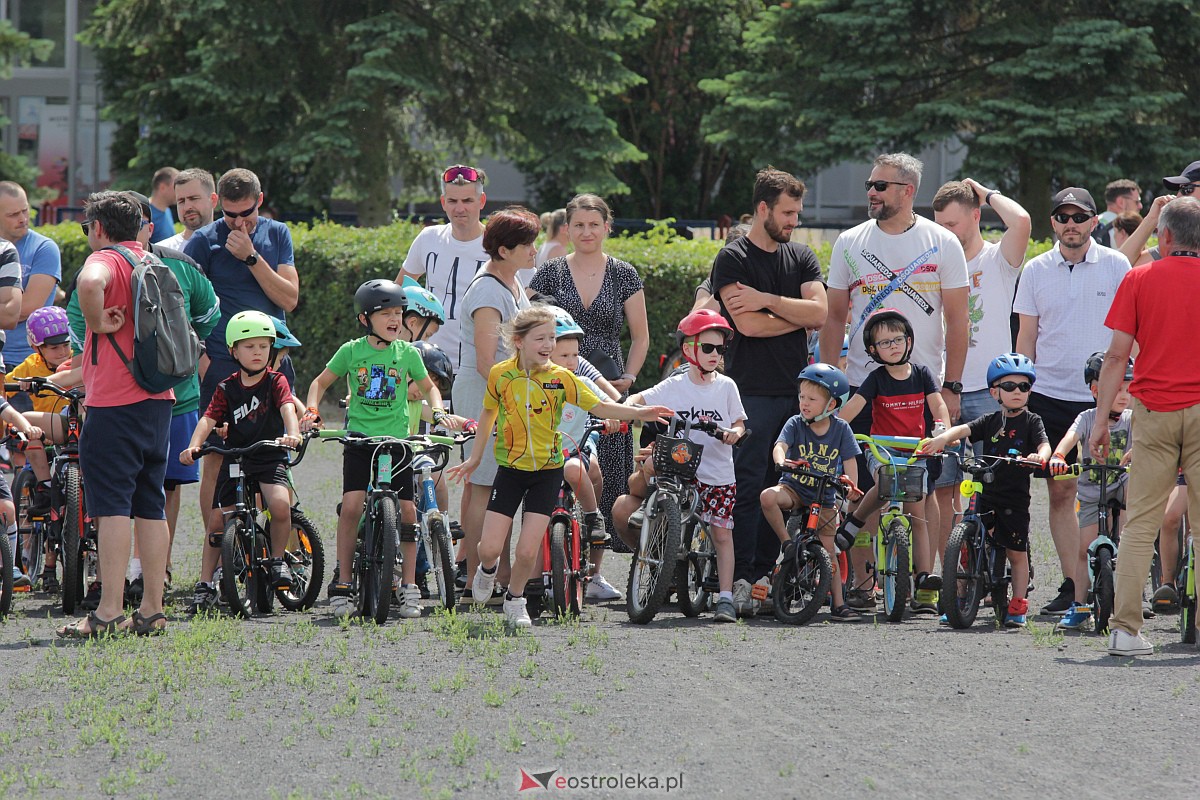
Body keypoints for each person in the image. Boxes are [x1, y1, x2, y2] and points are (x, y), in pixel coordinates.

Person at [446, 305, 671, 628]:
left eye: (552, 338)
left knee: (527, 552)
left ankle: (516, 600)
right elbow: (488, 415)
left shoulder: (561, 377)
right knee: (488, 548)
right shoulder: (501, 374)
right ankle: (487, 570)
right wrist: (475, 458)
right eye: (541, 338)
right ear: (519, 341)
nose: (549, 345)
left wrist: (640, 414)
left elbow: (600, 406)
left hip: (548, 471)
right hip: (510, 471)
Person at [821, 154, 968, 613]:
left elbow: (958, 320)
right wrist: (828, 384)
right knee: (863, 488)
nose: (871, 192)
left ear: (908, 191)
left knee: (926, 491)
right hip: (862, 387)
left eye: (880, 185)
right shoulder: (849, 241)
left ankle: (927, 583)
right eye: (869, 184)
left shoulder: (942, 242)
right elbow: (834, 317)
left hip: (920, 388)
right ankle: (865, 584)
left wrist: (952, 386)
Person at [303, 279, 461, 619]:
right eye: (386, 313)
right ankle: (343, 583)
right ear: (365, 319)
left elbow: (430, 389)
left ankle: (409, 587)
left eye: (399, 313)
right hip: (360, 441)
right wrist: (312, 410)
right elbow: (319, 383)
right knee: (351, 507)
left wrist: (439, 412)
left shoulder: (407, 353)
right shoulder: (351, 351)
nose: (395, 319)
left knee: (408, 511)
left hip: (397, 443)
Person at [710, 167, 827, 614]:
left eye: (797, 212)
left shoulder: (802, 256)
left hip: (798, 395)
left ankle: (769, 576)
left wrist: (768, 301)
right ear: (763, 209)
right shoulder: (733, 258)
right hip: (750, 394)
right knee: (747, 487)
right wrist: (792, 316)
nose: (795, 221)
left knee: (786, 487)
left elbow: (820, 314)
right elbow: (747, 326)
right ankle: (741, 578)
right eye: (787, 213)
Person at [57, 191, 174, 637]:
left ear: (100, 228)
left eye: (88, 226)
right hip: (158, 399)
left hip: (114, 404)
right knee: (151, 505)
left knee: (112, 509)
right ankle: (152, 610)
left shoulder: (105, 259)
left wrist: (97, 322)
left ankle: (108, 611)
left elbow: (89, 284)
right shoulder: (154, 261)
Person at [1089, 195, 1200, 656]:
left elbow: (1116, 356)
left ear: (1165, 235)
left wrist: (1100, 420)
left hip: (1153, 412)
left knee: (1139, 524)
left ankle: (1124, 629)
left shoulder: (1139, 278)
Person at [1013, 187, 1130, 616]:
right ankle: (1072, 584)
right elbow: (1027, 336)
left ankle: (1120, 582)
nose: (1071, 225)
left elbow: (1132, 332)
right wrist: (1022, 388)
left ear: (1094, 222)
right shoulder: (1035, 269)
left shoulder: (1117, 265)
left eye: (1079, 217)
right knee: (1061, 493)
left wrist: (1130, 386)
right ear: (1053, 223)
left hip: (1107, 397)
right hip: (1050, 395)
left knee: (1118, 491)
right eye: (1062, 217)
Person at [185, 167, 299, 586]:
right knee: (216, 459)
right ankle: (220, 560)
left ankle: (277, 555)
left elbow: (289, 297)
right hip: (220, 364)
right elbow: (183, 305)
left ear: (260, 201)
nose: (237, 223)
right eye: (229, 215)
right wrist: (203, 360)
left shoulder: (276, 234)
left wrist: (251, 257)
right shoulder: (203, 240)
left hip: (271, 363)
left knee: (273, 455)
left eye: (246, 213)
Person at [529, 193, 650, 548]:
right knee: (557, 470)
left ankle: (598, 558)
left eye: (594, 224)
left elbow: (641, 337)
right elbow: (525, 324)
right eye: (579, 225)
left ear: (607, 227)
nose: (587, 232)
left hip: (608, 384)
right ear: (566, 229)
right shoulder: (550, 271)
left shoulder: (624, 273)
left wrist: (629, 378)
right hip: (555, 383)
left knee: (606, 471)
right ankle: (553, 548)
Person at [930, 179, 1031, 574]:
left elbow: (1021, 221)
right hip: (946, 390)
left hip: (992, 394)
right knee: (943, 489)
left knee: (997, 487)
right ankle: (953, 576)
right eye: (939, 225)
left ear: (976, 217)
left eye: (952, 224)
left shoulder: (997, 259)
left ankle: (995, 571)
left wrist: (986, 193)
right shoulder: (936, 264)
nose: (944, 232)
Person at [624, 310, 747, 621]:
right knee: (655, 458)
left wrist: (734, 432)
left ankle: (725, 598)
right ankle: (651, 506)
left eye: (720, 348)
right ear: (689, 348)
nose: (715, 354)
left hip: (717, 472)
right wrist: (625, 407)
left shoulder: (727, 386)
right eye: (708, 347)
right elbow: (640, 399)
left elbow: (739, 422)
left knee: (722, 534)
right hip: (682, 466)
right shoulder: (675, 385)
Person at [920, 353, 1051, 627]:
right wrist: (941, 439)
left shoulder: (1032, 421)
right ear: (994, 392)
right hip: (986, 492)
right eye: (1009, 386)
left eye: (1024, 386)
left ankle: (1018, 604)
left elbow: (1044, 445)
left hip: (1014, 498)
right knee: (967, 546)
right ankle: (959, 600)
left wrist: (1039, 456)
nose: (1017, 391)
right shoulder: (989, 420)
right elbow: (963, 430)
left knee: (1016, 553)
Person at [836, 308, 951, 614]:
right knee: (885, 481)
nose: (893, 346)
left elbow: (938, 405)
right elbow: (852, 408)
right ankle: (856, 521)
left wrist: (942, 430)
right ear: (873, 350)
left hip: (915, 452)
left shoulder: (922, 374)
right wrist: (835, 429)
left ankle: (923, 576)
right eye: (884, 343)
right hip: (883, 450)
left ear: (909, 341)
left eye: (898, 339)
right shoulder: (875, 379)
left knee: (917, 512)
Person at [180, 310, 302, 596]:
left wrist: (293, 433)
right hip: (236, 458)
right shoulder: (226, 388)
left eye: (263, 346)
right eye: (249, 346)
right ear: (234, 351)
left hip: (269, 456)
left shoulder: (276, 381)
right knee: (217, 521)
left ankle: (277, 561)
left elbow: (287, 407)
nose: (257, 352)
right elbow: (208, 419)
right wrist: (194, 444)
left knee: (280, 505)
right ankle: (205, 582)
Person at [453, 207, 535, 602]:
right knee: (484, 484)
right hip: (484, 393)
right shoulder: (488, 290)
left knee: (494, 486)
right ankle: (474, 582)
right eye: (527, 244)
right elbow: (487, 362)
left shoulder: (512, 281)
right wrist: (518, 398)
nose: (534, 251)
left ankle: (492, 577)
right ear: (504, 250)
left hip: (503, 391)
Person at [760, 363, 860, 620]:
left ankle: (839, 604)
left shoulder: (841, 429)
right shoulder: (795, 423)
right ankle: (787, 543)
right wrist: (781, 460)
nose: (804, 403)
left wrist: (850, 484)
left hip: (824, 495)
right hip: (794, 488)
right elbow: (780, 445)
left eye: (812, 399)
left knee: (829, 551)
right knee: (768, 497)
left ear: (832, 404)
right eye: (802, 397)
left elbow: (850, 461)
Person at [1049, 353, 1134, 630]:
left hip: (1121, 486)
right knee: (1084, 550)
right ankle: (1079, 605)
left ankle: (1134, 598)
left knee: (1131, 540)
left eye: (1128, 389)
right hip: (1091, 492)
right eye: (1117, 389)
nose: (1124, 396)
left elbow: (1147, 438)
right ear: (1097, 390)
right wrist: (1058, 456)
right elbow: (1069, 438)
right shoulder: (1086, 418)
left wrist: (1138, 451)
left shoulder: (1132, 419)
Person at [549, 307, 623, 602]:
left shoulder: (582, 382)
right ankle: (535, 576)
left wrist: (613, 417)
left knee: (588, 471)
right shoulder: (534, 383)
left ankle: (593, 522)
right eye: (564, 356)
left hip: (577, 443)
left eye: (575, 355)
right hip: (543, 451)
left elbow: (608, 402)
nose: (572, 362)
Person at [396, 164, 489, 366]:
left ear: (481, 201)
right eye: (452, 201)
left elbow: (524, 303)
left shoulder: (499, 245)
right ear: (443, 202)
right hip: (428, 363)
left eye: (467, 200)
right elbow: (398, 293)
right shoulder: (428, 238)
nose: (460, 208)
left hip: (480, 366)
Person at [0, 181, 61, 372]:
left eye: (25, 211)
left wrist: (8, 309)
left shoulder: (43, 248)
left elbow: (25, 308)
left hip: (26, 361)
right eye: (13, 214)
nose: (23, 219)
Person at [159, 168, 217, 252]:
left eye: (193, 199)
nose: (187, 207)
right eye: (181, 201)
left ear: (213, 200)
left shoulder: (231, 248)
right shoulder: (162, 252)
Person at [1091, 179, 1142, 248]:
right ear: (1121, 202)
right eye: (1137, 201)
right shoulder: (1123, 229)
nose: (1140, 206)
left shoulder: (1091, 224)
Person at [149, 166, 179, 244]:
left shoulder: (167, 210)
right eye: (175, 186)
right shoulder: (145, 214)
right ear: (162, 187)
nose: (179, 191)